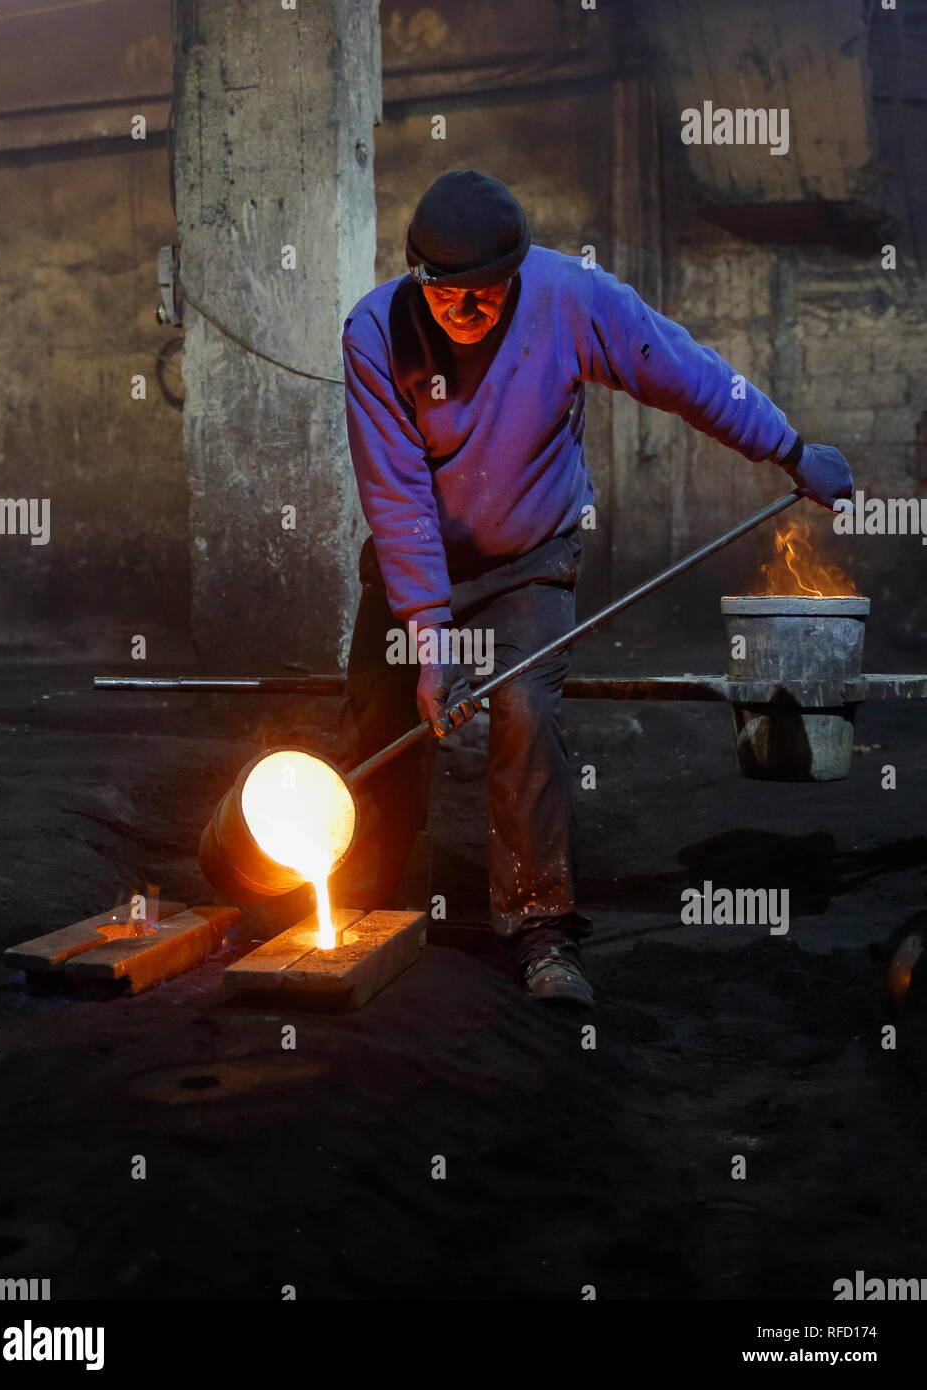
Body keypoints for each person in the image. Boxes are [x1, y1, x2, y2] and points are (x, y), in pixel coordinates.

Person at [337, 169, 853, 1007]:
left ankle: (542, 928)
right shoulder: (373, 330)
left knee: (526, 716)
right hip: (417, 563)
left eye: (490, 296)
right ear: (415, 273)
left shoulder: (571, 298)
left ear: (521, 268)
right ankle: (360, 907)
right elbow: (396, 494)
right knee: (377, 721)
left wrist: (791, 451)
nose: (471, 316)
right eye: (450, 299)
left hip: (531, 561)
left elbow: (688, 373)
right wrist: (430, 641)